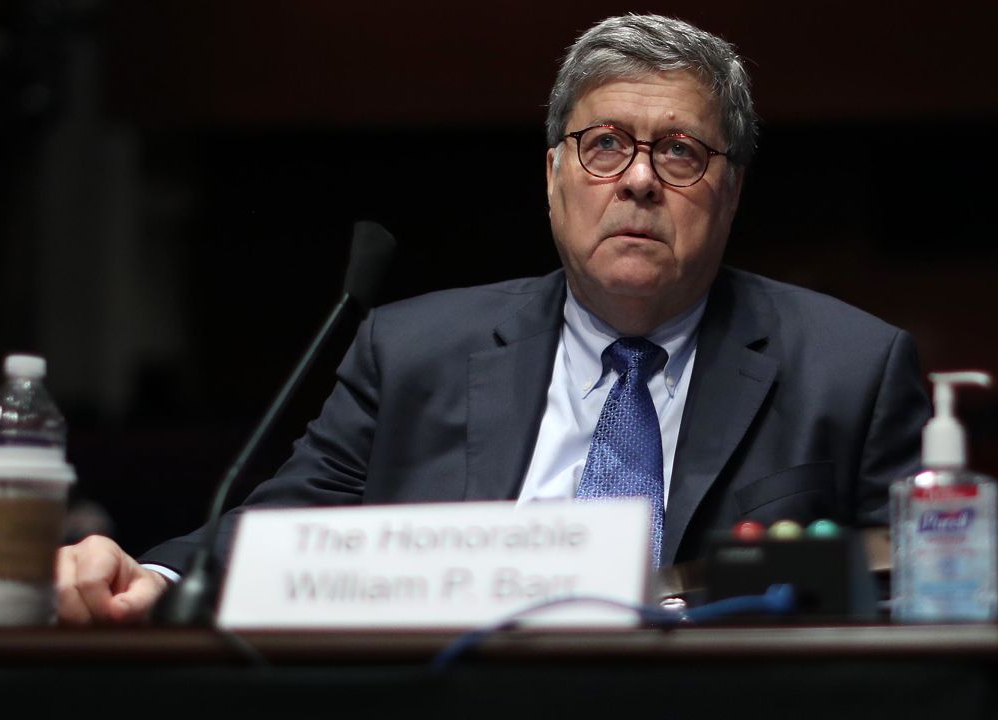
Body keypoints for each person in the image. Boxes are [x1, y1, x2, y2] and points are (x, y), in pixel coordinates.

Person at [55, 13, 931, 625]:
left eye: (679, 152)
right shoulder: (412, 353)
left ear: (730, 191)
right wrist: (159, 575)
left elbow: (917, 608)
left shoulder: (852, 368)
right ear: (553, 177)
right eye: (604, 146)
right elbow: (288, 528)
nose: (636, 180)